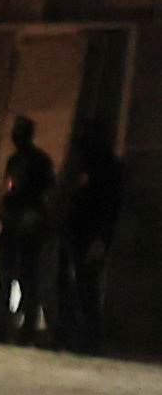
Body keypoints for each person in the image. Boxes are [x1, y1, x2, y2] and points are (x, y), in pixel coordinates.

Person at [59, 117, 125, 353]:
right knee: (70, 285)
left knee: (87, 286)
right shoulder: (85, 165)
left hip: (91, 234)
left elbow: (111, 208)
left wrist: (101, 240)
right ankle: (70, 335)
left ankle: (89, 338)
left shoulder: (108, 168)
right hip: (75, 232)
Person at [0, 115, 56, 343]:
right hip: (12, 221)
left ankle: (27, 329)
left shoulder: (40, 161)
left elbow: (47, 193)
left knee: (28, 278)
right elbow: (8, 190)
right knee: (5, 277)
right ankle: (1, 327)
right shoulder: (14, 160)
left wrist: (39, 219)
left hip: (29, 224)